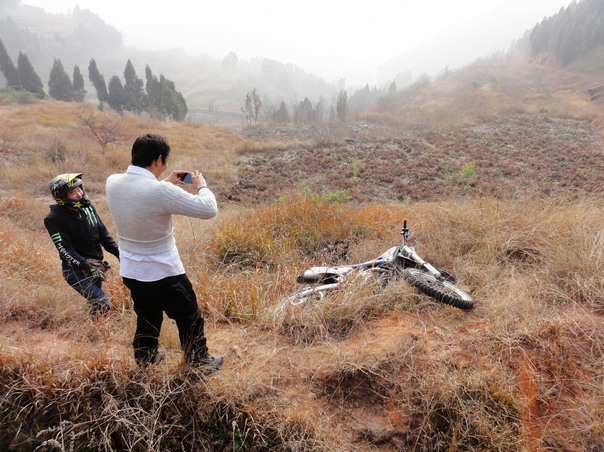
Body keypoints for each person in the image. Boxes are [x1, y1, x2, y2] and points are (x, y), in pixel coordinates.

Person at [105, 133, 223, 370]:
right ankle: (199, 363)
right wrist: (202, 187)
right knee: (189, 317)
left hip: (132, 271)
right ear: (159, 159)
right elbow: (209, 209)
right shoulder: (160, 192)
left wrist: (164, 182)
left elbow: (141, 197)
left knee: (147, 315)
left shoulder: (113, 182)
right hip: (164, 272)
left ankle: (145, 358)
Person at [44, 173, 120, 318]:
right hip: (75, 271)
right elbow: (65, 250)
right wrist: (87, 267)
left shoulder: (88, 208)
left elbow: (104, 236)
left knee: (95, 305)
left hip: (96, 266)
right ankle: (94, 333)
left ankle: (92, 331)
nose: (79, 194)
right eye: (73, 192)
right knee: (102, 301)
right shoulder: (53, 219)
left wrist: (121, 255)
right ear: (62, 196)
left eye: (79, 189)